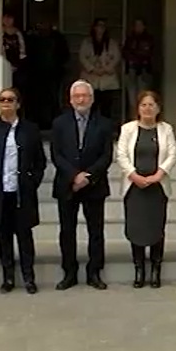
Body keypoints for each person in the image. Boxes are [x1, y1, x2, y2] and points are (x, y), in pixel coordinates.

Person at [0, 88, 47, 294]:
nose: (6, 102)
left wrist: (32, 182)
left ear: (18, 104)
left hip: (21, 192)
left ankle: (29, 278)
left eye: (10, 99)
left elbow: (40, 162)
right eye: (2, 99)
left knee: (24, 236)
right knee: (4, 236)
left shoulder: (30, 129)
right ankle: (8, 278)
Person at [50, 80, 115, 290]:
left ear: (92, 98)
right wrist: (74, 176)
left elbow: (106, 156)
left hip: (94, 184)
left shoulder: (104, 124)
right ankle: (69, 273)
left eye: (85, 96)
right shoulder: (59, 123)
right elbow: (56, 154)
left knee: (95, 231)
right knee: (67, 231)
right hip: (66, 184)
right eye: (77, 96)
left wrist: (87, 176)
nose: (81, 99)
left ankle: (94, 272)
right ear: (70, 99)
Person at [116, 91, 176, 289]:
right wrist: (133, 175)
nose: (148, 108)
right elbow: (121, 154)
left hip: (157, 187)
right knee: (136, 228)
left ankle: (155, 269)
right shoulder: (128, 129)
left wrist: (159, 174)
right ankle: (139, 269)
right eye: (144, 105)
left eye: (152, 105)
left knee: (156, 228)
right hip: (134, 187)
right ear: (138, 108)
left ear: (158, 108)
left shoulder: (165, 129)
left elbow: (172, 153)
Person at [27, 19, 71, 131]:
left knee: (53, 99)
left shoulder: (58, 38)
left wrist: (59, 66)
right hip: (35, 75)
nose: (43, 25)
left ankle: (52, 123)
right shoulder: (33, 38)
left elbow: (64, 55)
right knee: (36, 100)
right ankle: (37, 123)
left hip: (54, 74)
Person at [78, 18, 122, 123]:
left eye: (103, 26)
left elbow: (116, 57)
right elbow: (82, 57)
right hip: (91, 79)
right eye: (98, 26)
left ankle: (106, 130)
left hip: (107, 80)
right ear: (94, 28)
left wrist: (106, 69)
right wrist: (92, 69)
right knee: (90, 108)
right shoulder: (87, 42)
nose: (100, 29)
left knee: (106, 109)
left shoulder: (111, 43)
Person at [122, 19, 156, 116]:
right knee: (132, 100)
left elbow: (149, 54)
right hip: (132, 70)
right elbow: (125, 53)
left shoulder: (149, 39)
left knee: (144, 98)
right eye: (136, 25)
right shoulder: (130, 39)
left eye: (140, 25)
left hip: (144, 71)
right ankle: (133, 120)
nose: (138, 27)